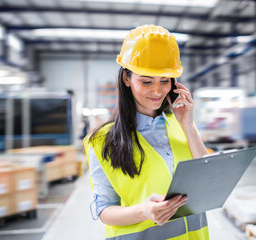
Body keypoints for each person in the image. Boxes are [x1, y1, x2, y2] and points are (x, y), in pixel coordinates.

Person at [84, 25, 209, 240]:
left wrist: (188, 124)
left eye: (164, 81)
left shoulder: (182, 125)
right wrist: (143, 211)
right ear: (126, 79)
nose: (157, 91)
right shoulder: (102, 140)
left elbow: (208, 178)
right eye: (146, 81)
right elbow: (104, 210)